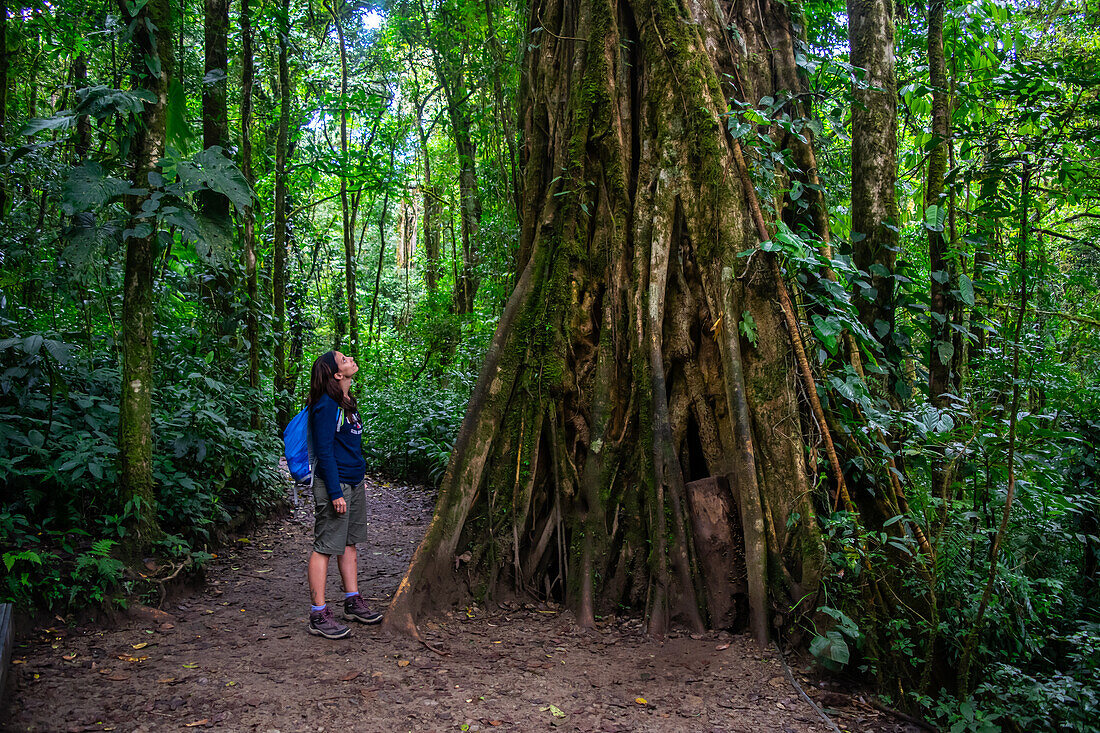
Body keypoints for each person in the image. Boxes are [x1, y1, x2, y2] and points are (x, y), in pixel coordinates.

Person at [305, 350, 382, 639]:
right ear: (337, 374)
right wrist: (335, 492)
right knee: (325, 546)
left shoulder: (346, 401)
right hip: (334, 486)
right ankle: (318, 614)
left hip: (353, 481)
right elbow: (324, 451)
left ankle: (352, 600)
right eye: (343, 360)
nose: (349, 359)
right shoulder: (326, 404)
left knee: (349, 544)